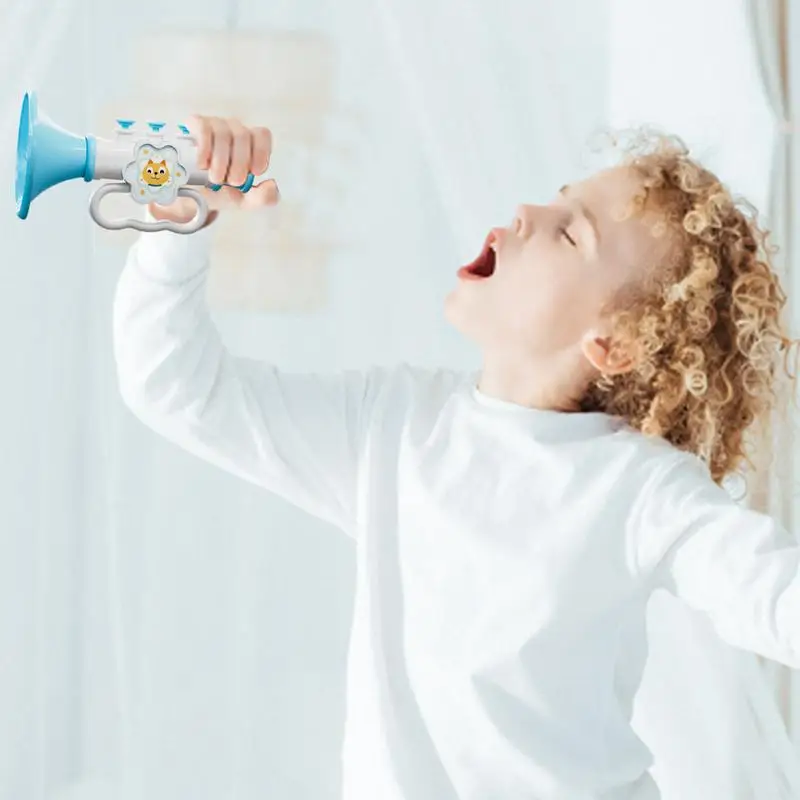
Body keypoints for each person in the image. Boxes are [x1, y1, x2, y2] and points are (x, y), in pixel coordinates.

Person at [112, 114, 800, 800]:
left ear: (615, 345)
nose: (528, 211)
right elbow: (176, 387)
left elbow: (768, 591)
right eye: (556, 199)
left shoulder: (640, 489)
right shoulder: (394, 429)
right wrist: (178, 226)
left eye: (570, 231)